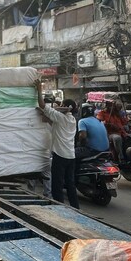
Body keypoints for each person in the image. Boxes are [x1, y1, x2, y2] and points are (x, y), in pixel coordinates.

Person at [35, 79, 80, 209]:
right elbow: (52, 122)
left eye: (62, 104)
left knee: (57, 185)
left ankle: (59, 208)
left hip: (60, 156)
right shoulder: (72, 120)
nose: (59, 106)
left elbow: (43, 105)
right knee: (70, 184)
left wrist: (39, 89)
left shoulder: (61, 117)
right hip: (71, 156)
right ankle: (75, 208)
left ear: (66, 107)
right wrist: (44, 115)